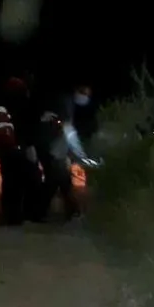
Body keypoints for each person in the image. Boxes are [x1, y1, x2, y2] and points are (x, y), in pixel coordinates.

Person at [35, 85, 93, 221]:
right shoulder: (66, 104)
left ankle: (42, 213)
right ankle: (70, 213)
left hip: (54, 148)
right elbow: (65, 129)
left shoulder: (66, 103)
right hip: (55, 149)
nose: (86, 98)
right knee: (58, 182)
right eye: (85, 94)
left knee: (57, 182)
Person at [0, 76, 43, 225]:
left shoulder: (2, 106)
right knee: (30, 180)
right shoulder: (22, 105)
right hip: (17, 149)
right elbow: (26, 128)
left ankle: (12, 216)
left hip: (7, 150)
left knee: (11, 183)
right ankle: (27, 215)